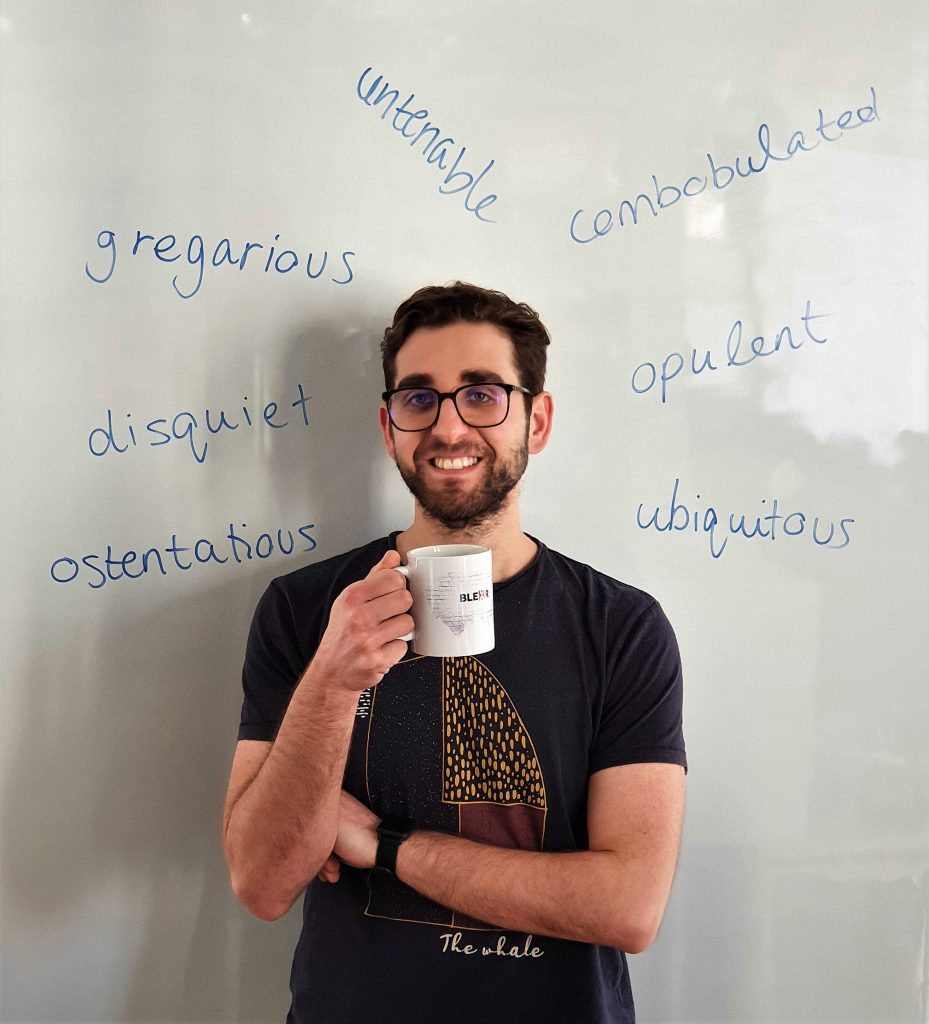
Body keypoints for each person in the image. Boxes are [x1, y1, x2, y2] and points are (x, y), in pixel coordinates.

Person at [222, 282, 687, 1024]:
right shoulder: (305, 609)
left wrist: (382, 844)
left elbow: (628, 908)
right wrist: (332, 685)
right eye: (419, 399)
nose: (447, 427)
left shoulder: (621, 626)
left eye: (481, 395)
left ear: (536, 420)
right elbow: (261, 882)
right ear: (387, 426)